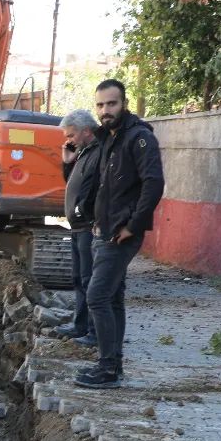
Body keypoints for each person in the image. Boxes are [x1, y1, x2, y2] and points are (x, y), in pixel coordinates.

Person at [76, 79, 164, 389]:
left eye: (111, 104)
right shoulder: (107, 139)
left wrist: (133, 225)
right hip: (104, 230)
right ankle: (113, 366)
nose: (105, 110)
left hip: (120, 234)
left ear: (123, 104)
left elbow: (153, 184)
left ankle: (107, 369)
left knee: (97, 296)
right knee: (112, 299)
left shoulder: (139, 139)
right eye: (100, 105)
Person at [54, 108, 101, 348]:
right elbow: (73, 182)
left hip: (87, 226)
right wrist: (67, 163)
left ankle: (92, 331)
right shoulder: (84, 153)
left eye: (71, 135)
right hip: (77, 226)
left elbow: (93, 188)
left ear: (85, 131)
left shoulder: (99, 152)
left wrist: (82, 211)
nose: (68, 140)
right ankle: (80, 324)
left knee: (88, 279)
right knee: (78, 278)